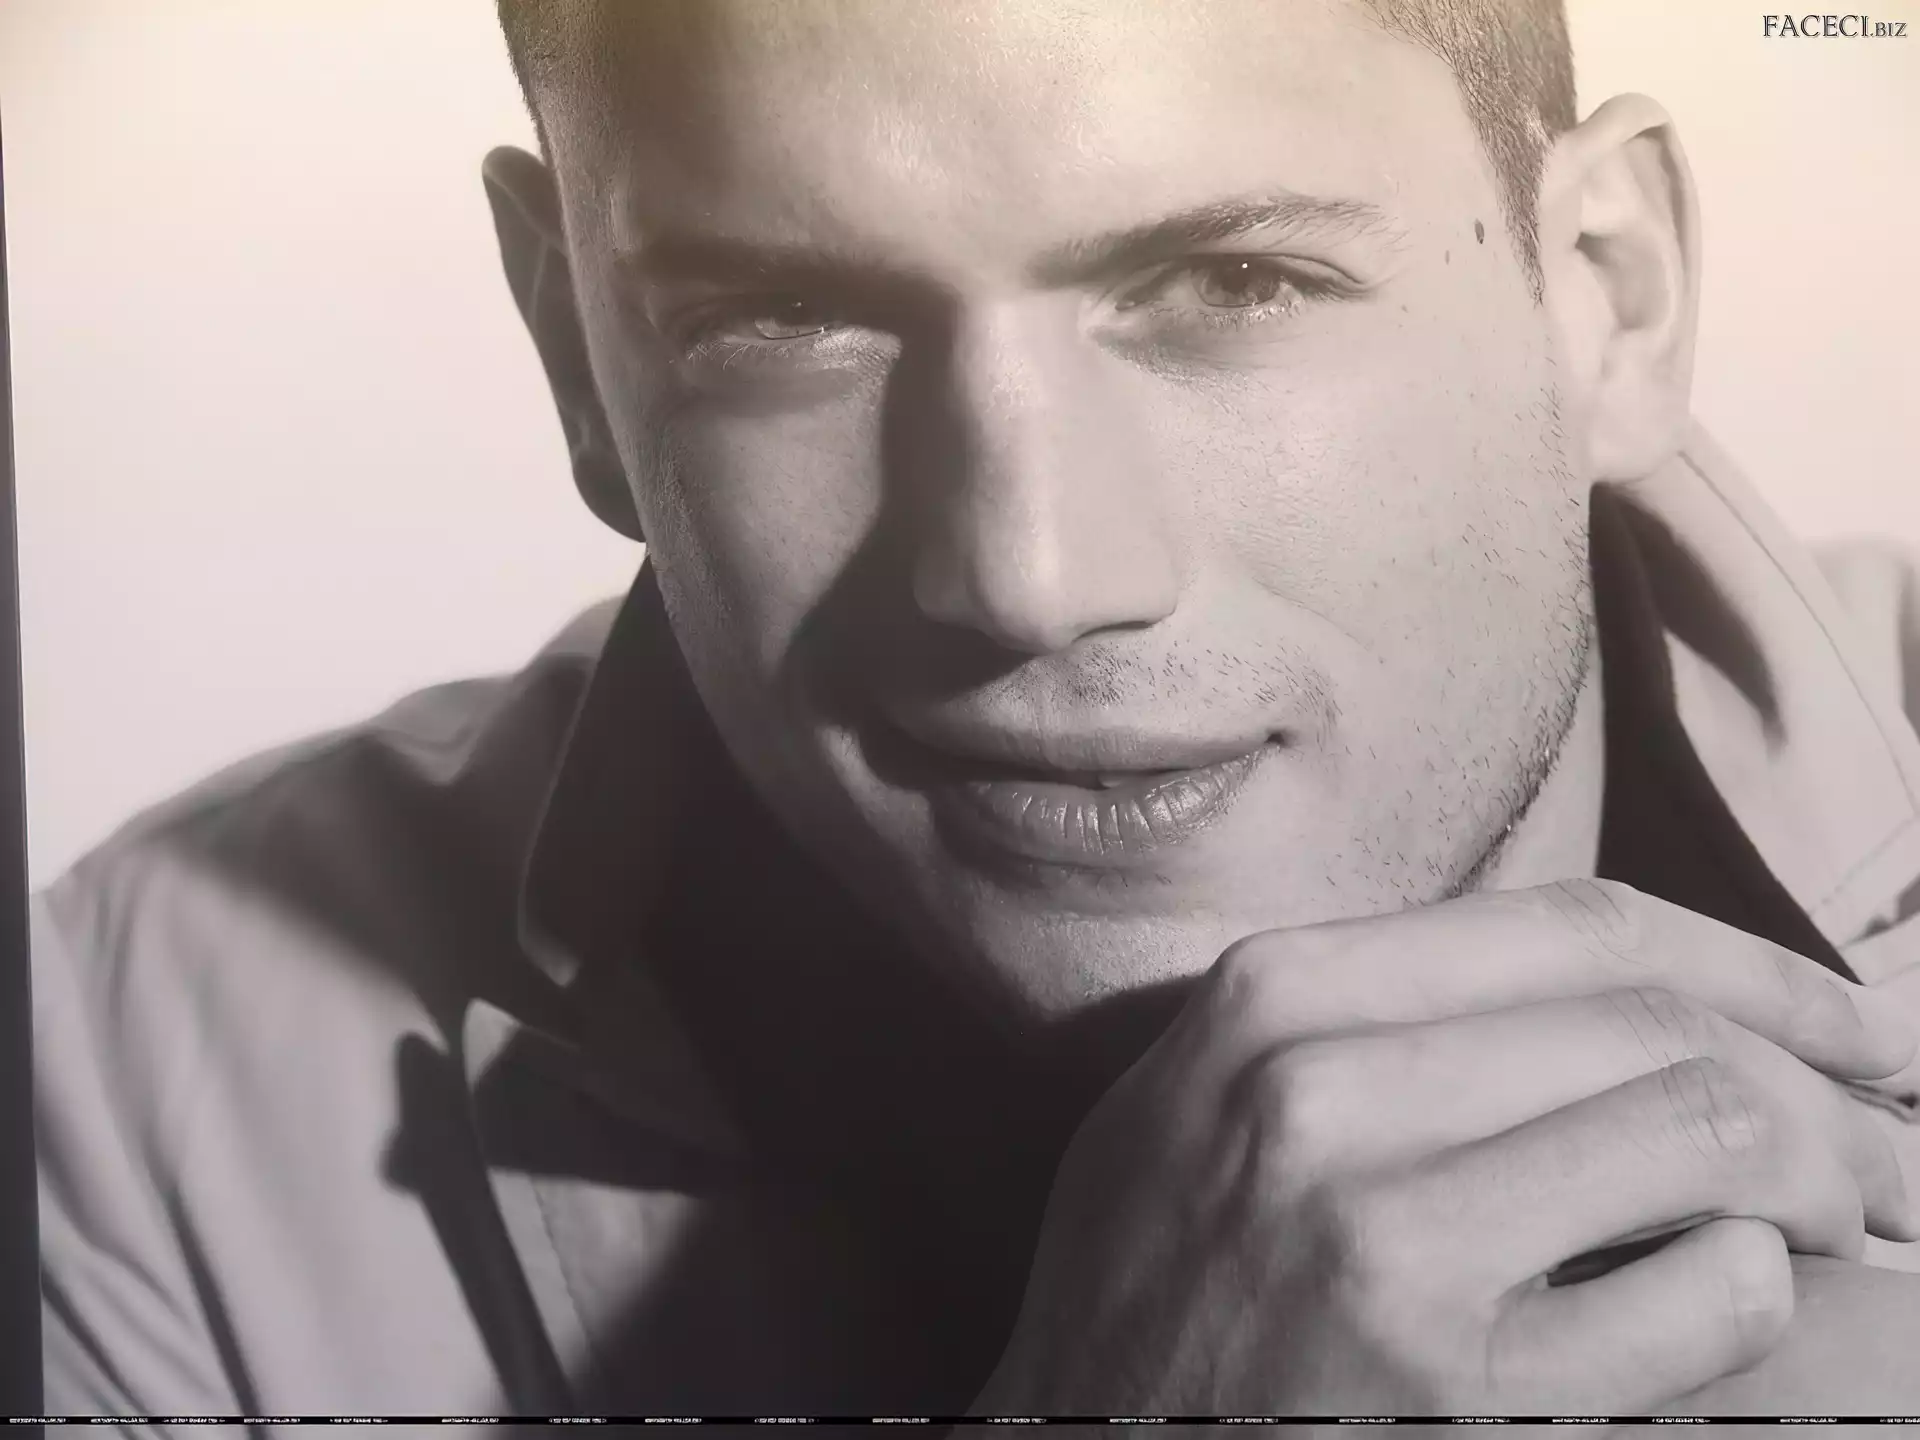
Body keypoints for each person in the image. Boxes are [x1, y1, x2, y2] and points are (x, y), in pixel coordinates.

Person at [31, 0, 1920, 1420]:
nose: (1030, 575)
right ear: (573, 355)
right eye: (784, 323)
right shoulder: (126, 1083)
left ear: (1610, 295)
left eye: (1234, 281)